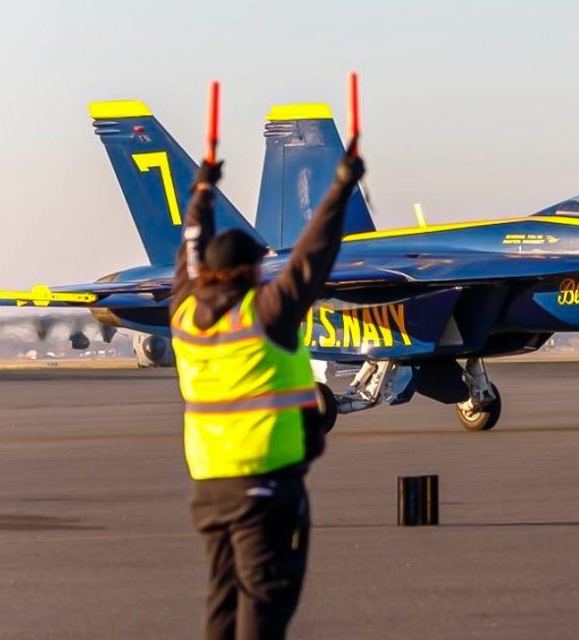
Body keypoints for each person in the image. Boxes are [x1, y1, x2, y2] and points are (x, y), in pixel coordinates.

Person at [170, 142, 365, 640]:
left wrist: (201, 193)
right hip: (266, 484)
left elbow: (188, 253)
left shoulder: (185, 316)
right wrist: (343, 187)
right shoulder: (266, 314)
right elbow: (313, 255)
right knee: (266, 596)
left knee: (224, 595)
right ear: (251, 271)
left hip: (210, 485)